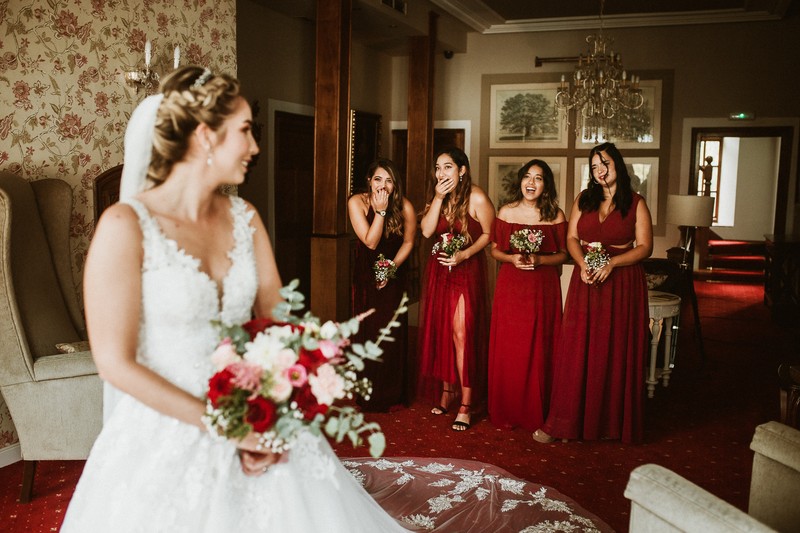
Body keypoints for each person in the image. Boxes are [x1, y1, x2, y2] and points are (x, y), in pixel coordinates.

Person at [61, 67, 615, 532]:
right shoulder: (124, 226)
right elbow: (114, 361)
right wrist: (226, 425)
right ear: (205, 136)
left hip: (256, 409)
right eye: (245, 131)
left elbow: (278, 319)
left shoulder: (243, 217)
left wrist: (294, 382)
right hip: (166, 426)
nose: (255, 146)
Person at [533, 142, 653, 445]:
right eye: (595, 166)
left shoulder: (636, 203)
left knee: (615, 350)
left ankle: (610, 425)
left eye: (605, 164)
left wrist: (612, 263)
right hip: (585, 283)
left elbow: (645, 247)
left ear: (618, 165)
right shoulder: (584, 199)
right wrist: (583, 264)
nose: (600, 171)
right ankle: (566, 423)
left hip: (622, 285)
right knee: (577, 350)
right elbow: (571, 238)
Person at [417, 147, 495, 431]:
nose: (441, 173)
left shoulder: (476, 196)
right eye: (438, 168)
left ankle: (467, 401)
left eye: (447, 167)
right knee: (443, 331)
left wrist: (465, 254)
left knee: (462, 333)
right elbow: (427, 231)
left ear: (462, 170)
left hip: (466, 269)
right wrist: (438, 198)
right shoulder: (438, 198)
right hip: (439, 272)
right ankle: (447, 391)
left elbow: (489, 234)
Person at [488, 159, 567, 431]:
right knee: (511, 345)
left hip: (543, 286)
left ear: (546, 185)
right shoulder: (506, 211)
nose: (531, 183)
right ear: (520, 181)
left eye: (538, 178)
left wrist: (540, 260)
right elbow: (495, 250)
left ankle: (539, 409)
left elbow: (564, 255)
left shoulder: (556, 215)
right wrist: (512, 259)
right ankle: (508, 408)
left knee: (541, 345)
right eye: (527, 177)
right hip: (511, 285)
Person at [347, 159, 415, 411]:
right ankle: (368, 391)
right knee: (369, 330)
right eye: (378, 179)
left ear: (395, 184)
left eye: (389, 181)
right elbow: (371, 242)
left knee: (391, 331)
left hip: (393, 273)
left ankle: (392, 391)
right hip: (366, 275)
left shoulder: (405, 206)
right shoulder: (356, 202)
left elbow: (409, 242)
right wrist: (380, 212)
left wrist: (391, 268)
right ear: (369, 181)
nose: (383, 186)